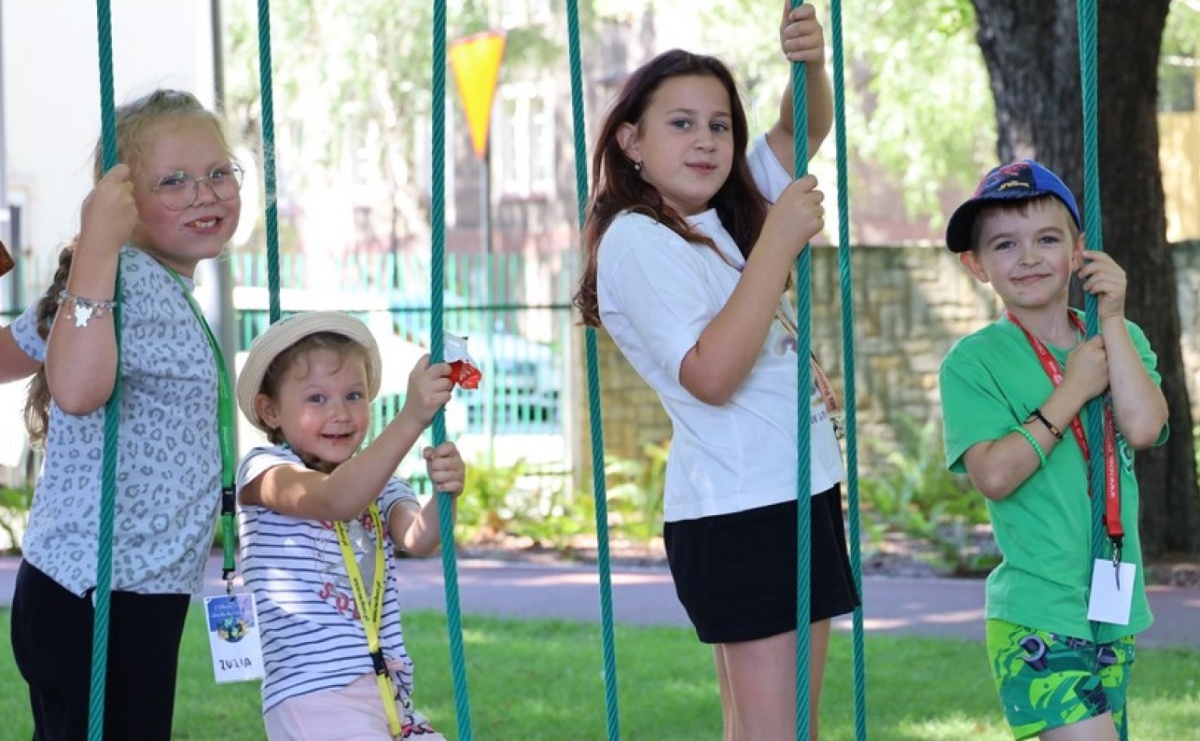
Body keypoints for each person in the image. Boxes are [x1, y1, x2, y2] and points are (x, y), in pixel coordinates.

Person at [572, 4, 858, 740]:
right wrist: (780, 244)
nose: (707, 140)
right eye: (682, 123)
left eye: (721, 124)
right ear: (631, 140)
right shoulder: (638, 240)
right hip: (743, 506)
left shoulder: (718, 218)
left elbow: (803, 130)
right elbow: (711, 374)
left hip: (789, 491)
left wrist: (812, 66)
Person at [6, 89, 244, 740]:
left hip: (112, 592)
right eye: (173, 181)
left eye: (219, 172)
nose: (206, 193)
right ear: (121, 205)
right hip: (99, 596)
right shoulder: (114, 278)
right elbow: (78, 389)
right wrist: (97, 250)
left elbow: (11, 352)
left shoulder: (141, 281)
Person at [939, 160, 1169, 741]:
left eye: (1047, 239)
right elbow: (992, 474)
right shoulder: (973, 363)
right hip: (1035, 612)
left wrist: (1111, 318)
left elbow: (1143, 428)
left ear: (1078, 250)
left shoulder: (1121, 338)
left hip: (1112, 605)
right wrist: (1071, 393)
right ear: (977, 265)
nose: (1029, 257)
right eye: (1004, 244)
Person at [235, 311, 465, 740]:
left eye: (354, 395)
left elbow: (420, 537)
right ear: (270, 411)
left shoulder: (378, 484)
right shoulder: (265, 470)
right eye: (317, 399)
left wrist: (444, 495)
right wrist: (412, 418)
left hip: (387, 691)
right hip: (314, 694)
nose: (340, 413)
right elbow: (334, 500)